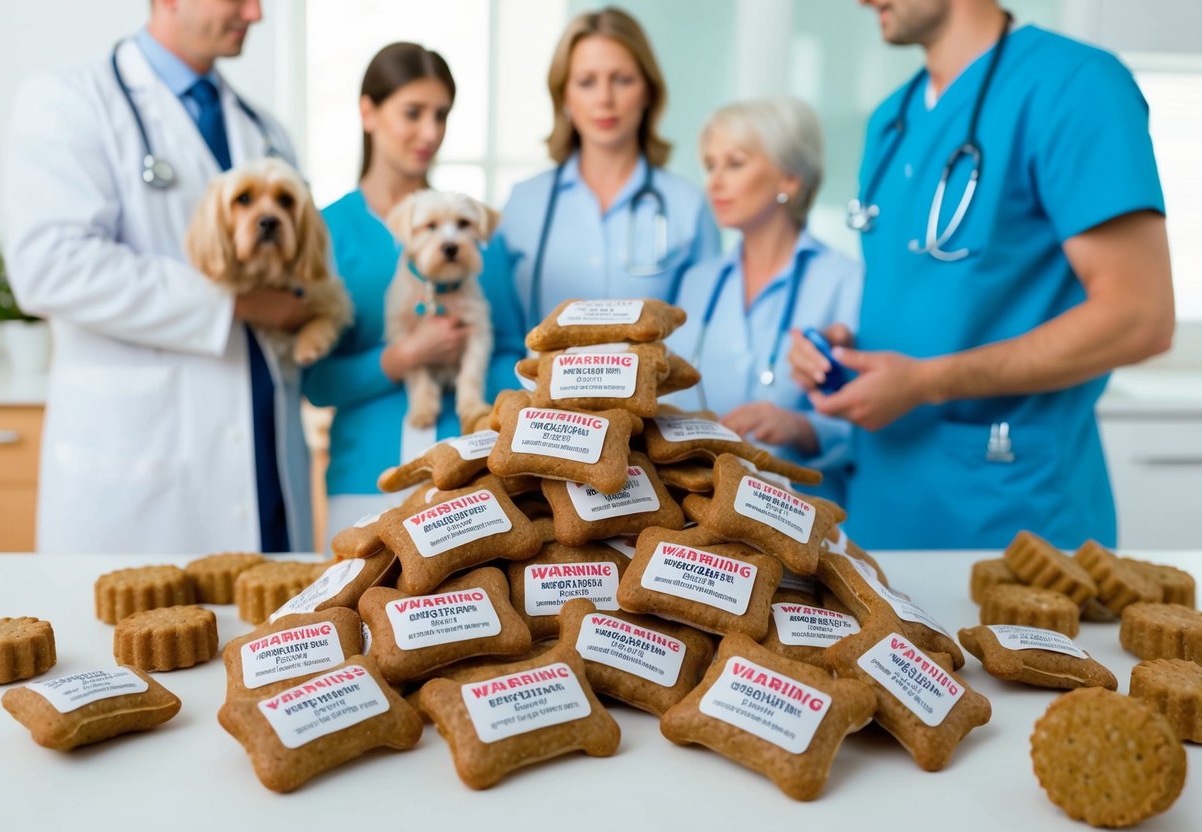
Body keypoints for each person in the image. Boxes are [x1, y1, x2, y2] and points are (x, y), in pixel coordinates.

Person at [789, 0, 1175, 550]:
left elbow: (1140, 318)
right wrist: (845, 353)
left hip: (1009, 513)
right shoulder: (892, 120)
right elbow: (929, 294)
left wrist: (927, 381)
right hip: (878, 507)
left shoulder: (1075, 85)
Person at [3, 0, 314, 554]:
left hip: (265, 454)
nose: (258, 13)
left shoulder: (264, 130)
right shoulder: (70, 102)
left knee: (267, 629)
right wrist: (237, 303)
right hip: (141, 470)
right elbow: (49, 266)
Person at [302, 43, 522, 542]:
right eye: (413, 113)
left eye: (441, 115)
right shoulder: (324, 232)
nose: (430, 133)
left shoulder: (469, 227)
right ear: (368, 112)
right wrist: (400, 357)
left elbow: (511, 351)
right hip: (363, 475)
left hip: (467, 475)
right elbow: (316, 380)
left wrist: (474, 396)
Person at [667, 98, 861, 505]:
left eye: (734, 164)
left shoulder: (845, 281)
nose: (714, 182)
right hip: (701, 510)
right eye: (710, 165)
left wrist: (799, 427)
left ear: (790, 179)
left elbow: (866, 429)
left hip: (802, 515)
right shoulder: (696, 283)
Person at [484, 6, 719, 334]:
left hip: (657, 387)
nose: (605, 98)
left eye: (622, 80)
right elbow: (498, 336)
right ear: (564, 94)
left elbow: (702, 338)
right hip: (536, 386)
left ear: (648, 91)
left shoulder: (688, 207)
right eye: (586, 82)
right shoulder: (522, 205)